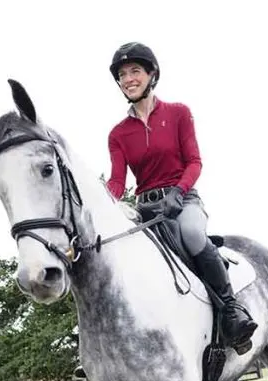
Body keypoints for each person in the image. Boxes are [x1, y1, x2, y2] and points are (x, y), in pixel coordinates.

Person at [105, 42, 257, 353]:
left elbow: (194, 162)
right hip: (145, 209)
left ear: (152, 75)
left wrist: (179, 192)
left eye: (135, 71)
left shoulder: (178, 114)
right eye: (122, 75)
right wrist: (103, 205)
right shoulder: (118, 134)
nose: (128, 79)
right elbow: (118, 181)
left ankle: (230, 310)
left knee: (190, 233)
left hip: (183, 200)